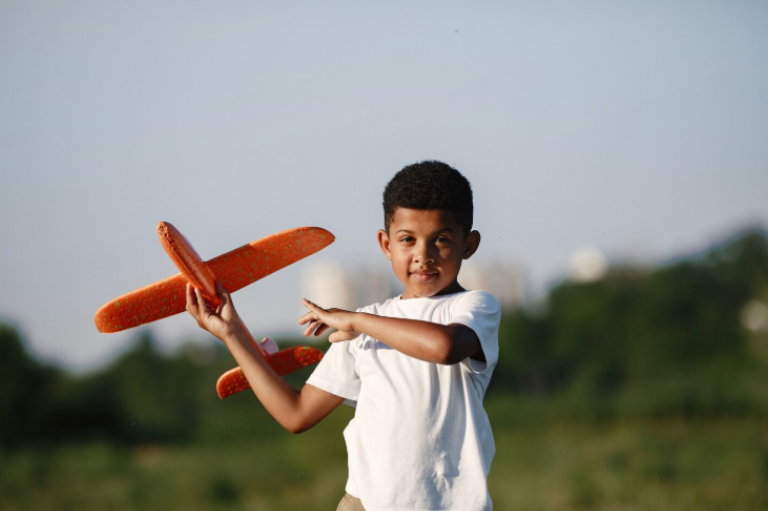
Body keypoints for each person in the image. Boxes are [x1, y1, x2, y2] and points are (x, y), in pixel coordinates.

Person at [185, 161, 501, 511]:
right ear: (386, 244)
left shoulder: (474, 306)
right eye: (407, 240)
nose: (422, 256)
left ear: (469, 244)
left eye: (441, 239)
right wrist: (232, 335)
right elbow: (296, 414)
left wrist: (357, 320)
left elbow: (444, 347)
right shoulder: (361, 327)